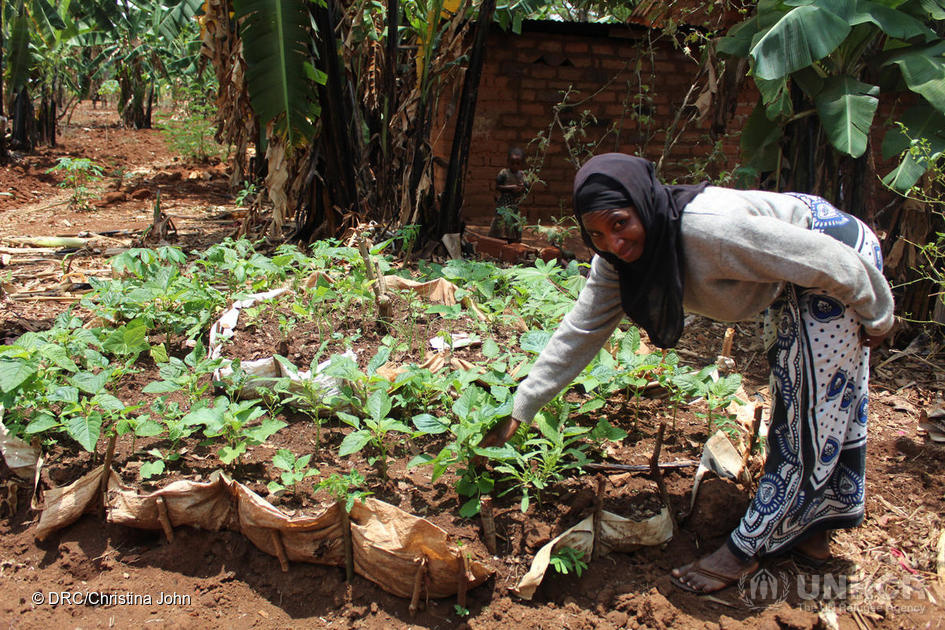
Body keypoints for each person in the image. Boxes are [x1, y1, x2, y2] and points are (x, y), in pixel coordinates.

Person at [478, 153, 894, 594]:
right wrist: (521, 410)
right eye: (596, 234)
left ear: (642, 204)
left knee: (810, 415)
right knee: (797, 392)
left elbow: (828, 259)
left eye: (620, 224)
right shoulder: (617, 265)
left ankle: (744, 550)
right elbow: (578, 333)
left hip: (837, 260)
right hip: (787, 277)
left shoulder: (708, 231)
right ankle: (810, 534)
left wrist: (879, 315)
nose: (613, 243)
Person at [488, 147, 528, 242]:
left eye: (517, 163)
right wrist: (512, 187)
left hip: (514, 204)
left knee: (514, 221)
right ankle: (496, 239)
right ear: (508, 162)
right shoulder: (504, 173)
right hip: (503, 203)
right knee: (500, 221)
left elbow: (526, 188)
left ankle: (514, 240)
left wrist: (522, 188)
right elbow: (498, 187)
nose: (514, 166)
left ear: (521, 164)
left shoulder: (522, 175)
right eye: (512, 163)